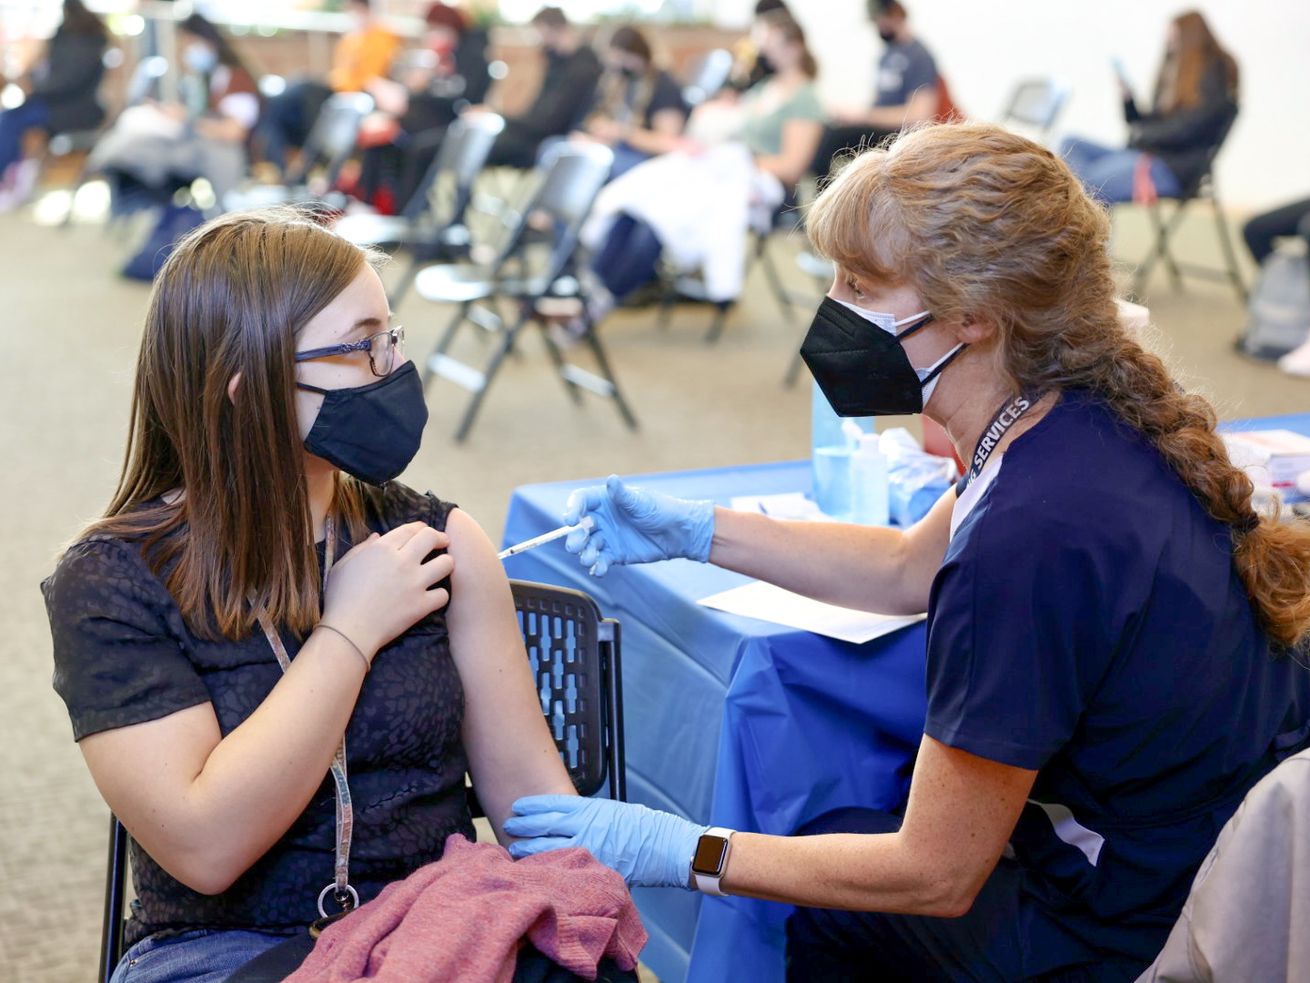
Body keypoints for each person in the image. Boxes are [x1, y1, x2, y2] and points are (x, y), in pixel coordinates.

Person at [504, 123, 1310, 980]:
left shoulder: (1036, 530)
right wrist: (699, 531)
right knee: (842, 827)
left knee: (823, 895)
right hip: (1188, 838)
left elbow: (936, 873)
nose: (835, 307)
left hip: (1140, 919)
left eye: (861, 283)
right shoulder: (1061, 414)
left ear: (973, 313)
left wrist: (687, 850)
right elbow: (904, 570)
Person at [41, 208, 630, 982]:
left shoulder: (439, 542)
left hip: (442, 918)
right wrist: (351, 629)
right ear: (245, 389)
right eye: (362, 347)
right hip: (227, 950)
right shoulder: (113, 582)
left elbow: (534, 810)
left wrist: (619, 885)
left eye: (393, 338)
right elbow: (206, 847)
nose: (392, 369)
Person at [572, 11, 823, 327]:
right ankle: (593, 283)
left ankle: (605, 296)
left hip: (761, 185)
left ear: (794, 47)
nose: (763, 50)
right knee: (639, 204)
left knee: (659, 218)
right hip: (725, 169)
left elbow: (792, 166)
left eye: (770, 44)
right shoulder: (764, 89)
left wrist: (738, 159)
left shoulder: (805, 99)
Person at [1059, 10, 1238, 204]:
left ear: (1189, 39)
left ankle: (1077, 219)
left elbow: (1186, 130)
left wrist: (1143, 135)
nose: (1170, 47)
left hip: (1168, 166)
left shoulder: (1213, 78)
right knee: (1071, 145)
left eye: (1174, 40)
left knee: (1089, 186)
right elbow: (1145, 123)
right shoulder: (1177, 82)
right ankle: (1077, 209)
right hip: (1142, 153)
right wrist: (1128, 100)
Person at [87, 13, 259, 209]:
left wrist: (187, 119)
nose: (184, 51)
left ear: (207, 41)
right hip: (195, 145)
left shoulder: (235, 79)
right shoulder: (201, 79)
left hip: (220, 152)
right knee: (131, 147)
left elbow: (233, 132)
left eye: (188, 44)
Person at [353, 2, 490, 212]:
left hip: (448, 124)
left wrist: (423, 86)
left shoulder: (472, 58)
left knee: (409, 141)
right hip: (423, 119)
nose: (433, 34)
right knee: (379, 139)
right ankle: (368, 203)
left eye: (437, 28)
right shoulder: (433, 56)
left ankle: (403, 212)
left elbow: (460, 100)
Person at [254, 0, 400, 176]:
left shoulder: (380, 36)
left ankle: (292, 168)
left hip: (353, 93)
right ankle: (282, 165)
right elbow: (341, 72)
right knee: (282, 101)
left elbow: (369, 75)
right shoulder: (352, 37)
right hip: (338, 89)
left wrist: (340, 81)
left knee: (301, 90)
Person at [809, 0, 940, 178]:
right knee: (826, 131)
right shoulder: (885, 56)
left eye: (880, 20)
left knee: (834, 139)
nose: (878, 26)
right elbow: (877, 103)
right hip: (878, 127)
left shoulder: (918, 56)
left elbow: (919, 115)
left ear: (895, 14)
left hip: (901, 135)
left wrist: (865, 115)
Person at [0, 0, 107, 209]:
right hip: (62, 104)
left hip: (73, 109)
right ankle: (9, 176)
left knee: (10, 120)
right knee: (11, 118)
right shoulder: (79, 38)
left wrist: (34, 87)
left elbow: (65, 82)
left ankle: (5, 175)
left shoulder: (79, 41)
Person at [477, 6, 601, 170]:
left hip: (546, 139)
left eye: (541, 34)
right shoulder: (558, 63)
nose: (539, 40)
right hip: (533, 132)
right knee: (477, 141)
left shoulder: (581, 69)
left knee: (478, 147)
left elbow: (549, 122)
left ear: (555, 30)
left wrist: (500, 117)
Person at [564, 24, 687, 181]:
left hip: (642, 159)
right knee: (556, 148)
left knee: (594, 167)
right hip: (614, 148)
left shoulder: (663, 86)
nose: (617, 67)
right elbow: (596, 115)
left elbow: (668, 142)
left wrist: (622, 132)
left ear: (637, 55)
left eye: (622, 59)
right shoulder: (618, 82)